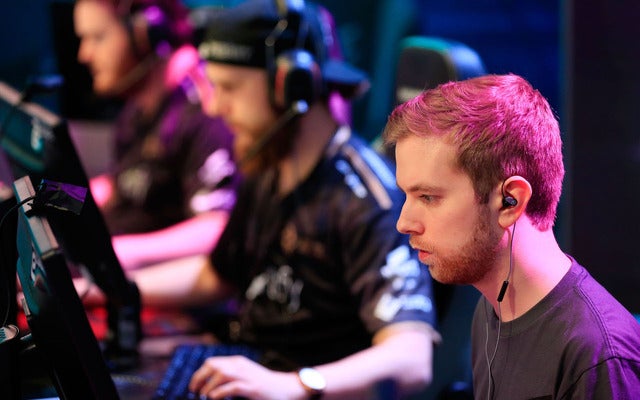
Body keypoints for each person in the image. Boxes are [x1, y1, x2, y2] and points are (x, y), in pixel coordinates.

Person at [119, 0, 440, 398]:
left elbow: (412, 359)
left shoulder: (366, 201)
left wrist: (293, 384)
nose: (214, 107)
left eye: (229, 88)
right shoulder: (268, 167)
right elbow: (216, 276)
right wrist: (112, 287)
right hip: (249, 363)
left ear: (291, 88)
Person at [383, 73, 640, 399]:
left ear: (511, 201)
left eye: (428, 197)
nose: (404, 223)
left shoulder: (599, 356)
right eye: (406, 195)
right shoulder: (492, 308)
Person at [73, 0, 239, 270]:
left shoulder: (203, 111)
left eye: (98, 38)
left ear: (145, 33)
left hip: (151, 280)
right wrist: (51, 199)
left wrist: (113, 254)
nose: (84, 54)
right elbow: (118, 185)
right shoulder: (138, 107)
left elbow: (215, 225)